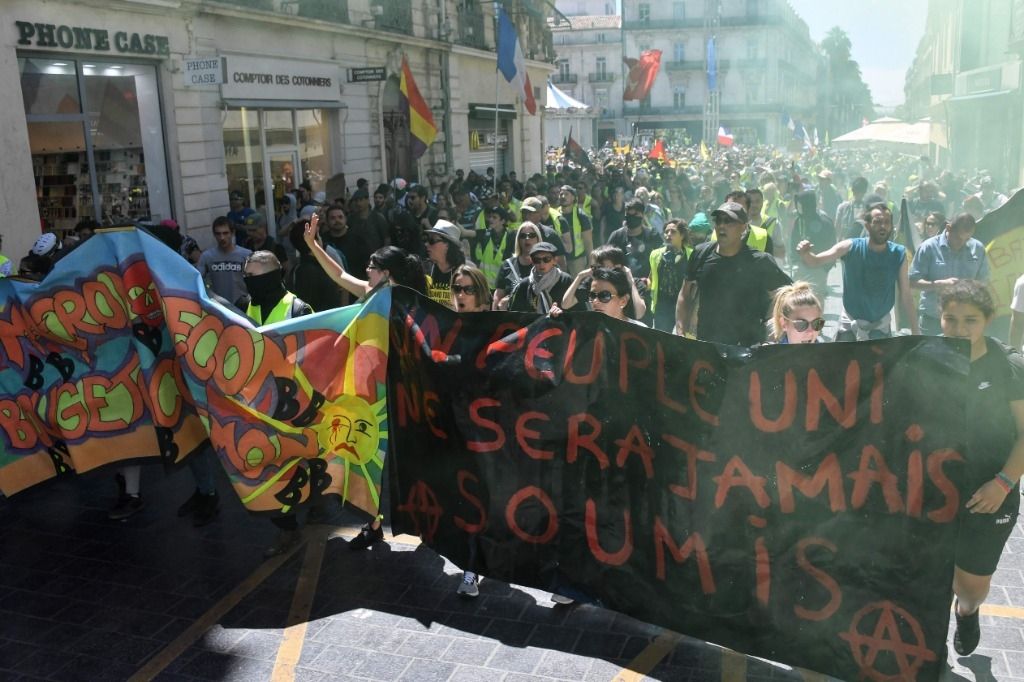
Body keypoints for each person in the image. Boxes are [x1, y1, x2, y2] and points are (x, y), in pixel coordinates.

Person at [940, 280, 1024, 656]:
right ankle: (927, 647)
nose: (959, 329)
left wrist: (1003, 483)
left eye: (970, 320)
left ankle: (968, 611)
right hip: (934, 489)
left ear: (988, 321)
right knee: (931, 575)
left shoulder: (1009, 366)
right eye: (951, 319)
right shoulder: (926, 357)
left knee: (970, 586)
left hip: (990, 492)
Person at [674, 202, 792, 345]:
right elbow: (684, 294)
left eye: (729, 221)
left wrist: (773, 328)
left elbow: (787, 296)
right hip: (708, 346)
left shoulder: (760, 261)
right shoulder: (701, 254)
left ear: (743, 227)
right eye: (718, 221)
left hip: (749, 348)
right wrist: (680, 331)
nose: (721, 226)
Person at [797, 202, 919, 340]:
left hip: (880, 329)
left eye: (886, 222)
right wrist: (805, 253)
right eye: (877, 222)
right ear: (867, 225)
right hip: (849, 327)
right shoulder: (850, 247)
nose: (883, 226)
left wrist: (916, 332)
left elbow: (906, 295)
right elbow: (815, 261)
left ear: (892, 226)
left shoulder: (898, 253)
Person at [909, 213, 990, 335]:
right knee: (930, 354)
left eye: (967, 239)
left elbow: (984, 282)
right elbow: (911, 282)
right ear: (948, 228)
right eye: (958, 238)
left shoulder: (977, 249)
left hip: (966, 321)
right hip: (933, 320)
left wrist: (970, 288)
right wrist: (939, 284)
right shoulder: (928, 248)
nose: (962, 243)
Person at [552, 266, 645, 326]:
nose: (595, 301)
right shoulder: (584, 330)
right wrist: (554, 322)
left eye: (604, 296)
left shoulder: (640, 331)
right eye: (592, 296)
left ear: (623, 301)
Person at [199, 216, 252, 308]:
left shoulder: (246, 255)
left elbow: (254, 282)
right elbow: (198, 280)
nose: (222, 237)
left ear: (232, 233)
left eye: (225, 233)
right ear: (214, 235)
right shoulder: (207, 256)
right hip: (218, 307)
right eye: (218, 234)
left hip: (243, 306)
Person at [507, 242, 573, 314]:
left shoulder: (566, 280)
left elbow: (577, 312)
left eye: (546, 259)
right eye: (537, 260)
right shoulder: (524, 285)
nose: (542, 263)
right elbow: (515, 314)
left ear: (554, 260)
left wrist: (561, 312)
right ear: (532, 261)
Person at [648, 220, 690, 332]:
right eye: (666, 232)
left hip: (684, 306)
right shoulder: (655, 254)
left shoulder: (692, 255)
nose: (668, 235)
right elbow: (652, 277)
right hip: (662, 306)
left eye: (673, 232)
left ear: (682, 235)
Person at [494, 222, 540, 310]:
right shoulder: (507, 265)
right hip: (513, 319)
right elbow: (498, 296)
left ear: (538, 239)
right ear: (518, 240)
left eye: (531, 235)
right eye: (523, 236)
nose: (527, 238)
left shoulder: (547, 263)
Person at [424, 220, 468, 307]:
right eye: (427, 239)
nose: (426, 244)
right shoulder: (425, 270)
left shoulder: (465, 274)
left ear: (447, 245)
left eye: (432, 240)